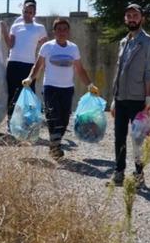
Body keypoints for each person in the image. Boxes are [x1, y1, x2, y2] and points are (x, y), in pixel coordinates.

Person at [23, 18, 98, 159]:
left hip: (67, 89)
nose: (62, 32)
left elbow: (80, 69)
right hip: (50, 88)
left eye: (65, 29)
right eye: (59, 29)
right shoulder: (47, 47)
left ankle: (55, 143)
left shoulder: (73, 48)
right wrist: (30, 78)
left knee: (64, 120)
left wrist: (90, 85)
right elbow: (37, 66)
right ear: (54, 32)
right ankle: (56, 147)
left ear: (68, 32)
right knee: (53, 117)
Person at [109, 3, 150, 187]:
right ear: (125, 19)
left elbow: (149, 72)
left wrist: (149, 98)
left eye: (135, 15)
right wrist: (114, 98)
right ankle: (119, 173)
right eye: (128, 15)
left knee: (138, 138)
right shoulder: (123, 42)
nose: (132, 18)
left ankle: (139, 174)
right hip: (121, 98)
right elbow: (118, 71)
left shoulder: (148, 42)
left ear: (141, 18)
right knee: (119, 137)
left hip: (138, 99)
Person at [1, 0, 47, 124]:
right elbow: (10, 44)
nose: (27, 14)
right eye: (25, 11)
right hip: (13, 62)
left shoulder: (39, 28)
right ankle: (10, 121)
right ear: (22, 12)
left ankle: (26, 121)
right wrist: (5, 30)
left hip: (29, 65)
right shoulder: (16, 26)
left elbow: (45, 41)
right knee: (12, 92)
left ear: (34, 13)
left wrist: (37, 46)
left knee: (28, 93)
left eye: (30, 12)